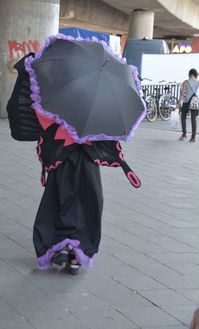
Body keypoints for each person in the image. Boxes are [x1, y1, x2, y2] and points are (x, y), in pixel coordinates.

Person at [6, 54, 141, 275]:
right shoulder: (97, 104)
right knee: (86, 205)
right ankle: (74, 252)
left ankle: (60, 245)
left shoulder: (53, 100)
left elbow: (41, 120)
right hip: (85, 162)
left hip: (61, 160)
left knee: (59, 201)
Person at [178, 68, 199, 142]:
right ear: (196, 74)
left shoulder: (186, 82)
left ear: (190, 74)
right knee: (193, 119)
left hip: (186, 102)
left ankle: (184, 134)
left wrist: (178, 104)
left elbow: (182, 94)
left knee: (183, 117)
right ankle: (193, 138)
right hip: (195, 103)